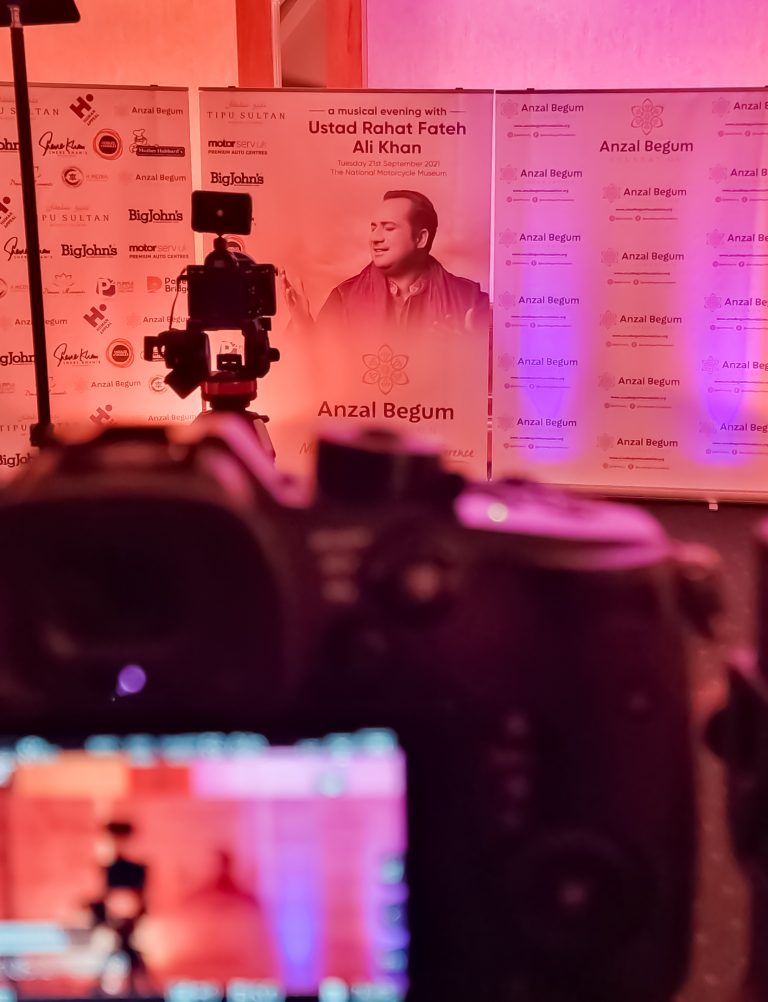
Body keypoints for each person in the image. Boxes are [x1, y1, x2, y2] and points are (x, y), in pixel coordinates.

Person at [280, 190, 489, 337]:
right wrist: (302, 325)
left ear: (421, 238)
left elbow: (498, 379)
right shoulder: (344, 298)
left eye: (388, 228)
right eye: (373, 228)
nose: (375, 238)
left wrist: (468, 350)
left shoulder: (468, 299)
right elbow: (317, 370)